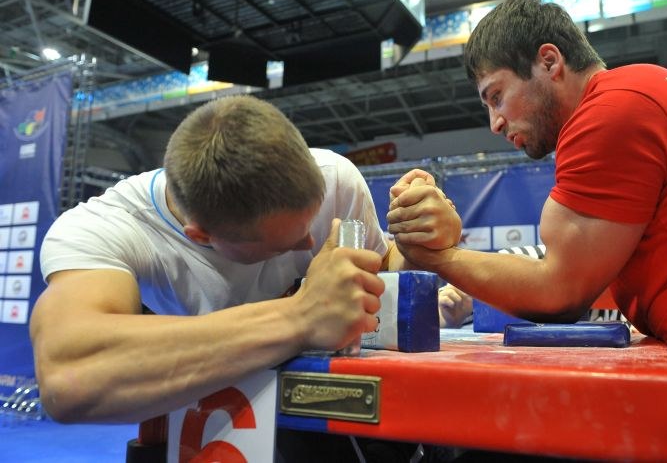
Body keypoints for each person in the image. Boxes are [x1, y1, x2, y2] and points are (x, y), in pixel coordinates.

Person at [387, 0, 667, 461]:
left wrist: (438, 256)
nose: (495, 122)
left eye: (497, 95)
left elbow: (560, 293)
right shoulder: (644, 90)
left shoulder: (612, 113)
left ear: (549, 62)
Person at [30, 94, 460, 458]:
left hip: (327, 430)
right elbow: (71, 377)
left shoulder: (335, 179)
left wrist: (427, 249)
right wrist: (299, 316)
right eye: (282, 243)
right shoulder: (108, 228)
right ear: (200, 235)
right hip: (201, 426)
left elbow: (382, 287)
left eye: (307, 227)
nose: (306, 248)